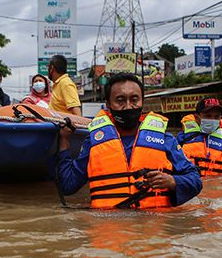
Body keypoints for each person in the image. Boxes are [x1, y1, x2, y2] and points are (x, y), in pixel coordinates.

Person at [57, 73, 202, 209]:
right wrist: (64, 141)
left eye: (134, 99)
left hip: (156, 230)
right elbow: (68, 186)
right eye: (120, 100)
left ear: (142, 102)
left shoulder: (165, 139)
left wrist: (173, 181)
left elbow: (195, 180)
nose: (127, 106)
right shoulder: (94, 142)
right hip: (107, 230)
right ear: (108, 104)